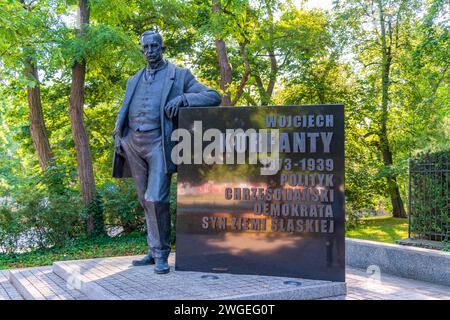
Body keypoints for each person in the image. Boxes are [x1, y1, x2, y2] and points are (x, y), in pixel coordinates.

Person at [112, 30, 221, 274]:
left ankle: (162, 254)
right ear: (142, 50)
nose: (150, 51)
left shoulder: (179, 76)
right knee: (144, 200)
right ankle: (152, 251)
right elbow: (123, 109)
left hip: (159, 143)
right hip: (132, 143)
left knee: (156, 198)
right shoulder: (134, 79)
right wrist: (118, 135)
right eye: (146, 48)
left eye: (154, 46)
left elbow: (214, 96)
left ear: (162, 47)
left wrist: (184, 99)